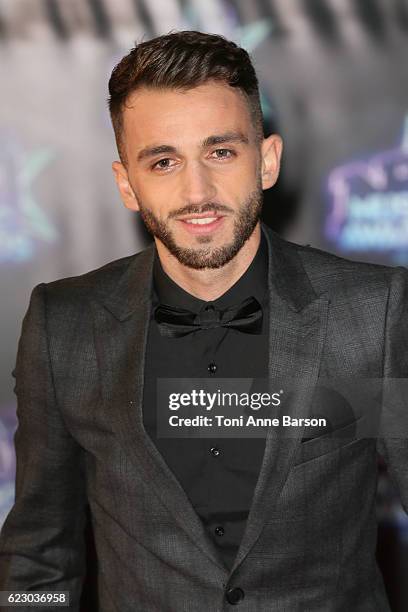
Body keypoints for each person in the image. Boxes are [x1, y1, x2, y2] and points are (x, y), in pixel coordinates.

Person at [0, 30, 407, 612]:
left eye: (221, 152)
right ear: (127, 186)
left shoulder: (374, 312)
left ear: (267, 161)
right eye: (163, 161)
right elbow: (38, 555)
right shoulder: (64, 326)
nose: (198, 191)